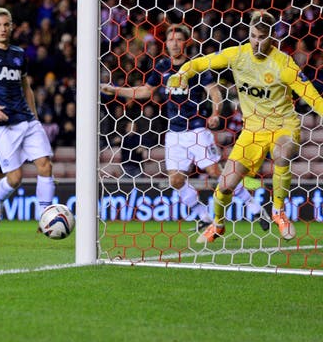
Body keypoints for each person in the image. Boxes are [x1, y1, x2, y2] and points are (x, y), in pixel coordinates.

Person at [167, 10, 323, 242]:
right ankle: (218, 225)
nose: (256, 42)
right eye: (252, 36)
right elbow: (201, 62)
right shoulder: (238, 55)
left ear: (272, 37)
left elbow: (312, 96)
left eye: (262, 37)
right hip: (252, 131)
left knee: (282, 153)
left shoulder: (284, 63)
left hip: (283, 125)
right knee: (225, 186)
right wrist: (183, 73)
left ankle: (279, 212)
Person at [101, 24, 266, 230]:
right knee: (176, 180)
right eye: (171, 40)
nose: (174, 43)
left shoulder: (195, 66)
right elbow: (144, 91)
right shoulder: (162, 66)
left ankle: (255, 208)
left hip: (197, 130)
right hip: (174, 133)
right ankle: (203, 216)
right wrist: (115, 90)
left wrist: (215, 113)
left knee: (215, 171)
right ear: (166, 43)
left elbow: (214, 93)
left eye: (179, 39)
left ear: (186, 42)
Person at [0, 7, 55, 233]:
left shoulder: (19, 54)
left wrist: (33, 116)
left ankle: (44, 218)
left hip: (26, 119)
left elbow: (27, 87)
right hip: (2, 125)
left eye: (6, 24)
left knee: (45, 165)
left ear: (12, 26)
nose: (3, 29)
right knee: (15, 179)